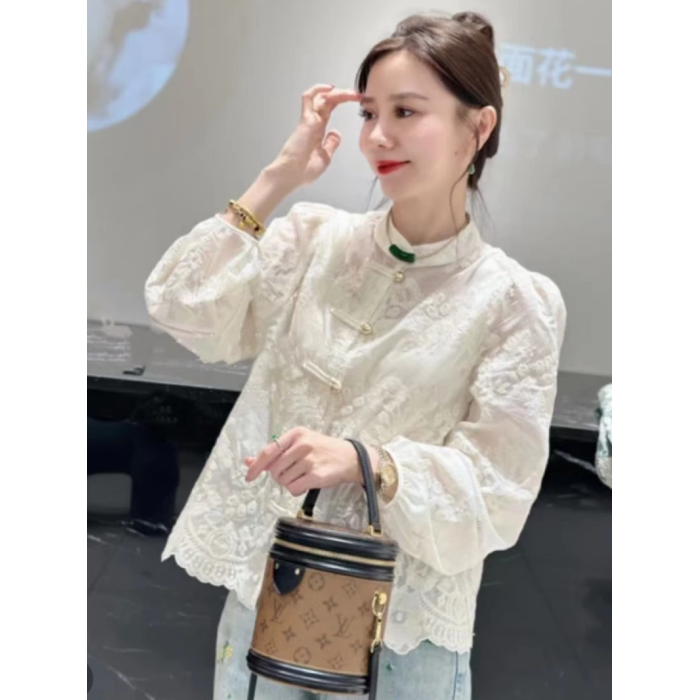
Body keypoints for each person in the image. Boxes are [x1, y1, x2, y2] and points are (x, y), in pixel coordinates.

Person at [145, 12, 566, 700]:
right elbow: (182, 307)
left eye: (406, 111)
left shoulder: (515, 301)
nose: (377, 136)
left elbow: (499, 490)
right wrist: (279, 176)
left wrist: (368, 461)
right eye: (369, 112)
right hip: (268, 597)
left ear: (478, 127)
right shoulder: (313, 241)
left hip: (400, 633)